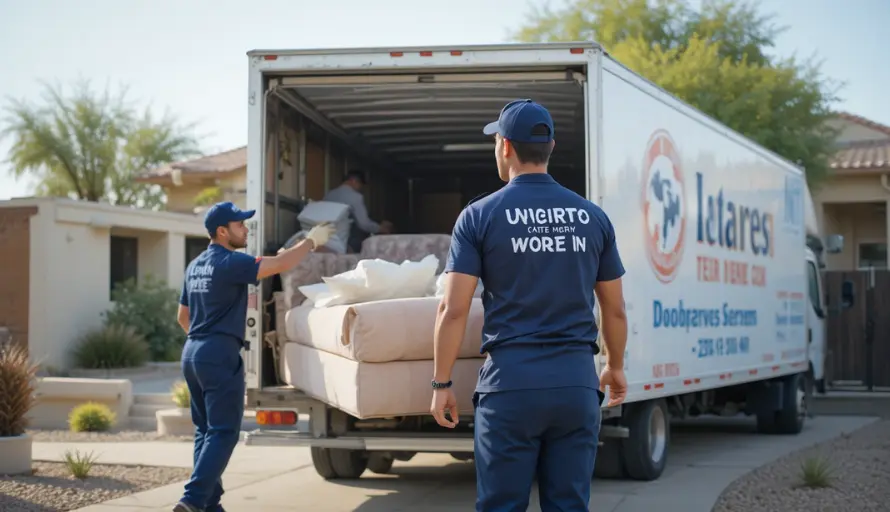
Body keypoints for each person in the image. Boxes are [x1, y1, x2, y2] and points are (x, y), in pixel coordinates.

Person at [429, 99, 629, 511]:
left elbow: (453, 309)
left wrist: (442, 384)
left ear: (504, 146)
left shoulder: (477, 216)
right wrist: (615, 364)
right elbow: (614, 309)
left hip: (510, 388)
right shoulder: (592, 217)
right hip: (576, 384)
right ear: (550, 146)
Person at [173, 201, 334, 512]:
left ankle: (209, 504)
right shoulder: (229, 262)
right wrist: (312, 240)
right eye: (240, 225)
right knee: (223, 432)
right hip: (218, 353)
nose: (246, 230)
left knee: (205, 432)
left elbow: (183, 316)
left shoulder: (194, 265)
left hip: (192, 351)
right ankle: (191, 501)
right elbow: (279, 263)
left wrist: (203, 343)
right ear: (222, 231)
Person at [322, 170, 393, 252]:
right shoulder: (355, 196)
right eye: (360, 185)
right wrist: (381, 228)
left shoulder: (329, 194)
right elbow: (364, 224)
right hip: (346, 241)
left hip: (327, 239)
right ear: (354, 181)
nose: (360, 188)